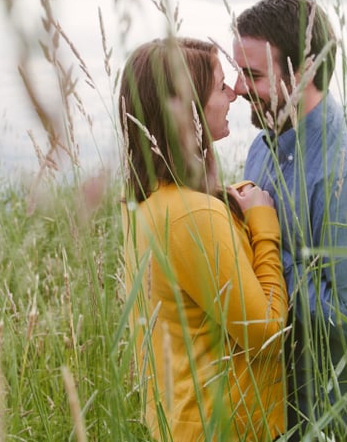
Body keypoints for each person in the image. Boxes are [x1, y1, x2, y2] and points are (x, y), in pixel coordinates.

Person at [232, 0, 347, 439]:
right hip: (276, 403)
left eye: (251, 74)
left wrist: (266, 248)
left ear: (304, 71)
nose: (235, 88)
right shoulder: (264, 142)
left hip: (337, 415)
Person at [119, 37, 289, 442]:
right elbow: (268, 333)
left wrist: (228, 208)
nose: (234, 94)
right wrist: (263, 224)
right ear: (186, 106)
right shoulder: (196, 215)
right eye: (219, 86)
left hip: (182, 420)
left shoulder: (148, 204)